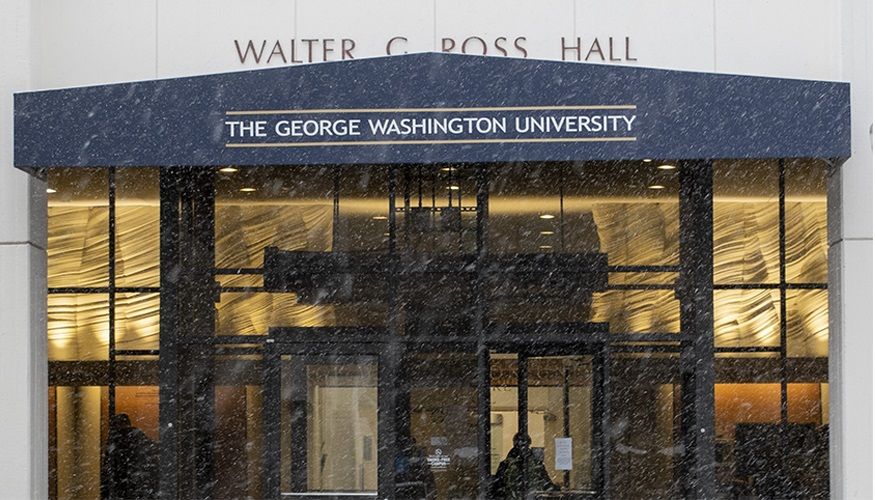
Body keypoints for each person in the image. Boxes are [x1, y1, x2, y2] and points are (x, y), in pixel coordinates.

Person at [100, 413, 158, 499]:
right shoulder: (124, 436)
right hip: (127, 472)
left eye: (121, 423)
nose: (120, 426)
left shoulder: (118, 437)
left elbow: (109, 456)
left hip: (125, 473)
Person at [491, 432, 559, 499]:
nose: (522, 448)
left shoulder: (505, 464)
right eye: (521, 445)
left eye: (524, 444)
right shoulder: (536, 464)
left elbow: (497, 489)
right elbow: (546, 484)